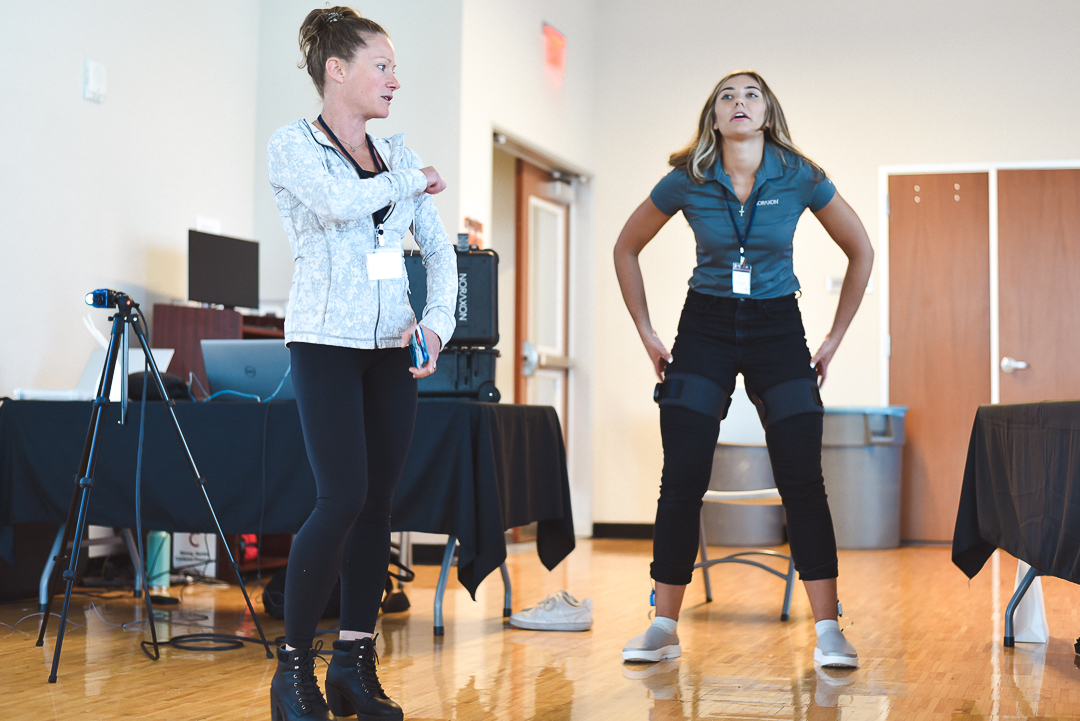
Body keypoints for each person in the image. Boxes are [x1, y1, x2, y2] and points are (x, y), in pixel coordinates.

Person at [613, 71, 873, 669]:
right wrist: (647, 331)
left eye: (751, 94)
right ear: (713, 116)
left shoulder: (800, 174)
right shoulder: (688, 178)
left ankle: (830, 628)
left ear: (768, 112)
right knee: (681, 476)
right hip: (703, 325)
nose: (739, 102)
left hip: (778, 328)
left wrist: (833, 338)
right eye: (726, 95)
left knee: (802, 476)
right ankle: (662, 625)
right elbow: (626, 246)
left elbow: (861, 249)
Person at [266, 7, 457, 720]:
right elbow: (342, 204)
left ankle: (353, 663)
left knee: (378, 506)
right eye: (382, 66)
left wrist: (436, 325)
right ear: (336, 70)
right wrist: (410, 182)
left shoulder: (398, 157)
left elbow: (438, 252)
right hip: (323, 341)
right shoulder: (293, 147)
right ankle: (292, 673)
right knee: (339, 497)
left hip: (390, 349)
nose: (395, 81)